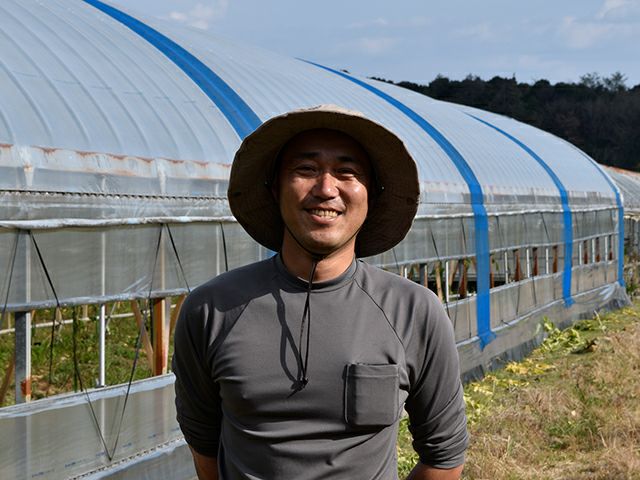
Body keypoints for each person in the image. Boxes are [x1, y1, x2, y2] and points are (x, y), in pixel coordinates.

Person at [172, 105, 468, 480]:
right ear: (274, 189)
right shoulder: (213, 309)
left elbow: (444, 457)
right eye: (306, 169)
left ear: (372, 196)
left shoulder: (413, 311)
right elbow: (205, 446)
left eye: (347, 172)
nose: (326, 189)